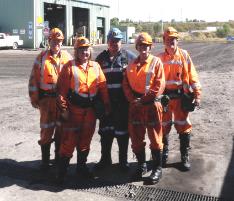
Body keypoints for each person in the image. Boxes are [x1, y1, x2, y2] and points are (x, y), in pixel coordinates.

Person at [56, 37, 110, 184]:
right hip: (73, 112)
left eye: (86, 49)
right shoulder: (69, 67)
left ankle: (81, 168)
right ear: (76, 51)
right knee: (68, 142)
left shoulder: (96, 66)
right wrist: (64, 110)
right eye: (81, 49)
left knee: (85, 141)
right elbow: (60, 92)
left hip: (90, 112)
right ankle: (62, 172)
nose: (84, 52)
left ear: (90, 51)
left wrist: (106, 106)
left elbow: (103, 88)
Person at [123, 32, 165, 184]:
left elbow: (158, 85)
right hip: (136, 106)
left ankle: (157, 169)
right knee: (136, 138)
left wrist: (144, 100)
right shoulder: (131, 65)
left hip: (152, 105)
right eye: (141, 45)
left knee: (155, 138)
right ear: (137, 47)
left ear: (150, 47)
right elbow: (125, 84)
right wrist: (133, 100)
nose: (143, 48)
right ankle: (141, 165)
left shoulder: (156, 62)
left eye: (146, 46)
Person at [158, 27, 202, 171]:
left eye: (173, 39)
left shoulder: (184, 55)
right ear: (164, 41)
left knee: (183, 126)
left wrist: (197, 94)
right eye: (168, 39)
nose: (171, 42)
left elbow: (193, 76)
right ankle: (163, 154)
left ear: (177, 41)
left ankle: (184, 156)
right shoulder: (159, 58)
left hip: (180, 98)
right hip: (164, 99)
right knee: (164, 126)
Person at [28, 28, 72, 171]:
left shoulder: (68, 57)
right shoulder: (41, 58)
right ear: (49, 41)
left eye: (59, 41)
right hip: (46, 101)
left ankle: (58, 159)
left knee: (61, 130)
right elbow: (33, 79)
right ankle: (45, 162)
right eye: (54, 41)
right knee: (46, 130)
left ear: (62, 42)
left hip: (62, 100)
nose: (56, 44)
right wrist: (34, 98)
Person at [95, 27, 136, 171]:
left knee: (122, 133)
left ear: (121, 42)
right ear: (107, 42)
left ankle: (123, 161)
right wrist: (97, 102)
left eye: (117, 41)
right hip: (106, 104)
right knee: (105, 132)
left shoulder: (129, 57)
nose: (115, 43)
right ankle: (105, 159)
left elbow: (137, 78)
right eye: (112, 41)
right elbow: (94, 81)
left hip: (122, 104)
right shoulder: (100, 59)